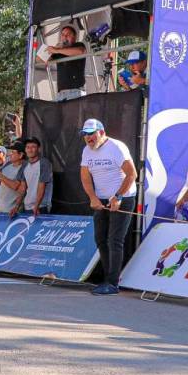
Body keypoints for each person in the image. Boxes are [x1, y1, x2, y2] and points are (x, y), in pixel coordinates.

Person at [79, 119, 137, 296]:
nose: (88, 138)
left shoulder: (116, 147)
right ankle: (107, 278)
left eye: (91, 133)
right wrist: (93, 197)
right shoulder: (87, 151)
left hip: (123, 198)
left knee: (115, 240)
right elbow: (85, 177)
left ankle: (113, 283)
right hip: (101, 199)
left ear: (102, 132)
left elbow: (132, 174)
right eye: (85, 134)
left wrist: (118, 196)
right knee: (100, 239)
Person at [39, 25, 87, 101]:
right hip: (61, 93)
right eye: (63, 35)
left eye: (68, 35)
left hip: (75, 92)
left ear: (74, 38)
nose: (65, 37)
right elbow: (39, 59)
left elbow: (80, 51)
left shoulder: (78, 45)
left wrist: (56, 50)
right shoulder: (59, 51)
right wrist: (53, 49)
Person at [0, 139, 26, 216]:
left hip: (13, 211)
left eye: (13, 152)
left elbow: (15, 186)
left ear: (21, 155)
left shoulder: (24, 168)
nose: (9, 154)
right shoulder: (8, 164)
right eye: (10, 152)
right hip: (2, 207)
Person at [21, 137, 53, 215]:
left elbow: (42, 186)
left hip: (41, 207)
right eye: (28, 147)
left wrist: (36, 206)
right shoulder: (25, 164)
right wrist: (16, 206)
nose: (30, 149)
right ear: (25, 150)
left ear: (38, 149)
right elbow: (23, 188)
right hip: (27, 207)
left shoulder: (44, 163)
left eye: (33, 147)